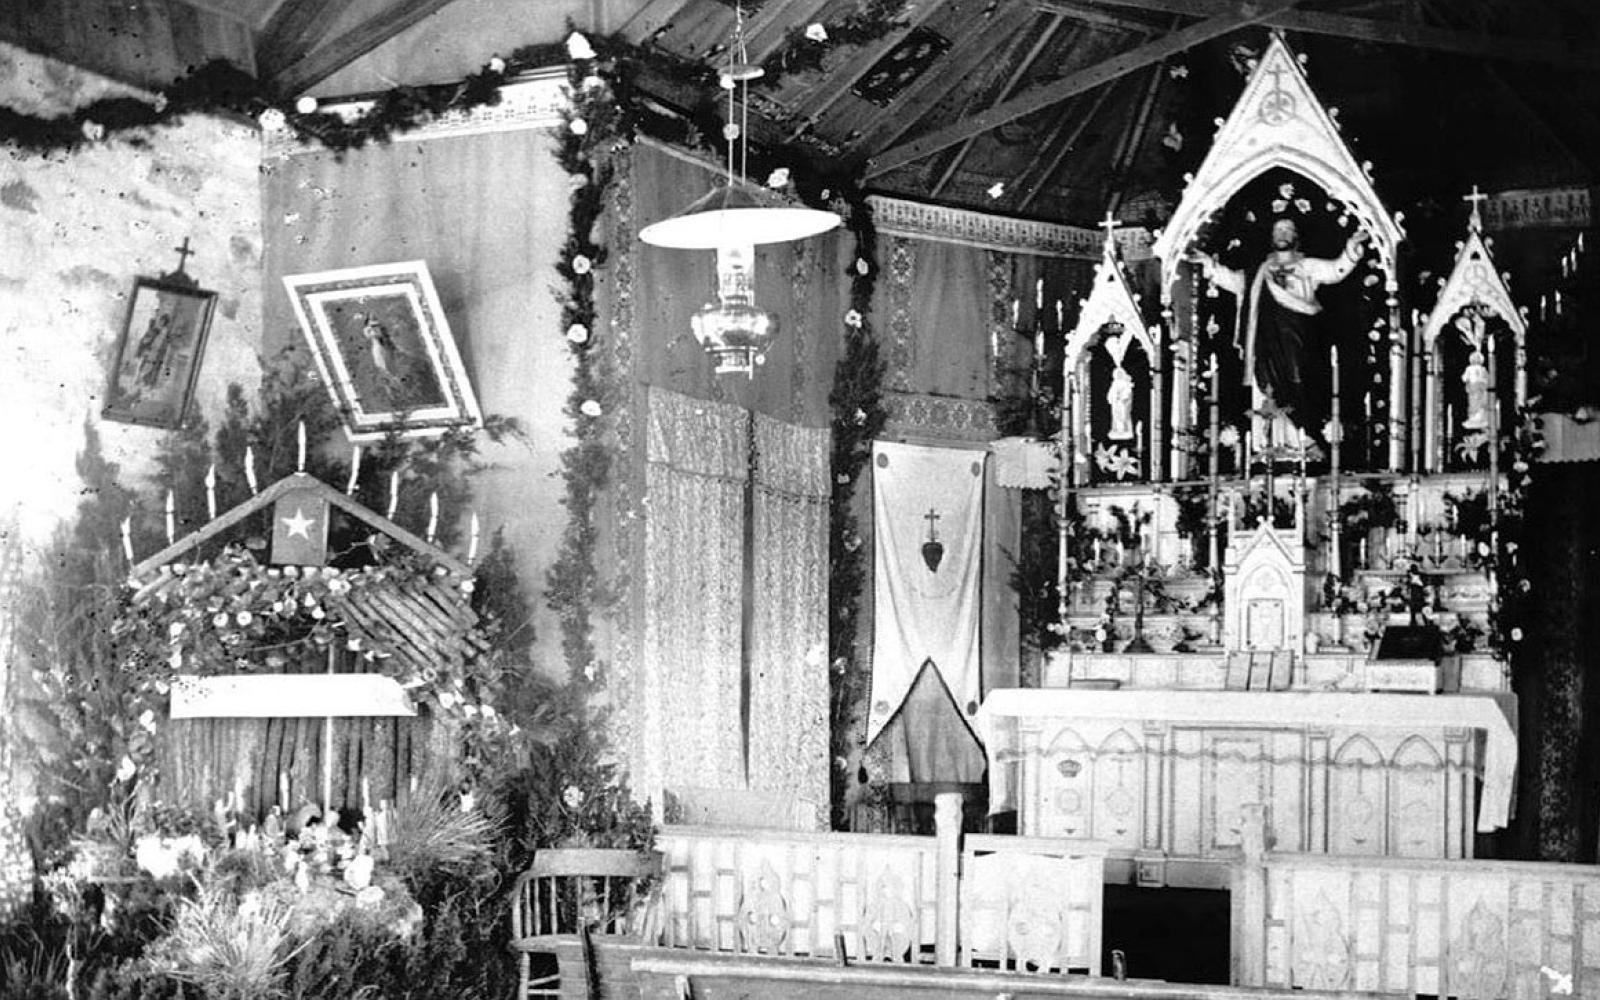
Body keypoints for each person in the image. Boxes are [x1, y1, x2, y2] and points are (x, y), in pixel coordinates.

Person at [1193, 217, 1368, 454]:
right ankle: (1266, 443)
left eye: (1288, 229)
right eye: (1278, 230)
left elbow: (1335, 270)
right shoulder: (1258, 272)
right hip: (1264, 341)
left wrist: (1351, 250)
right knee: (1266, 386)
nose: (1282, 233)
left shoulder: (1306, 265)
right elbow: (1234, 281)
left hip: (1297, 336)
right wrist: (1210, 266)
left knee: (1299, 382)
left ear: (1296, 236)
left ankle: (1303, 440)